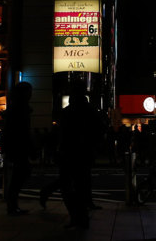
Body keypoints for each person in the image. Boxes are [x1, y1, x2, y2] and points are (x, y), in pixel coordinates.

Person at [58, 81, 103, 229]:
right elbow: (99, 132)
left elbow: (60, 134)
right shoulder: (91, 111)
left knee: (68, 187)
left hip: (69, 153)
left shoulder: (67, 112)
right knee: (82, 185)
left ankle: (76, 217)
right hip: (85, 153)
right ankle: (82, 217)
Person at [3, 81, 33, 215]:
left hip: (16, 146)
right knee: (19, 176)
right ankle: (12, 206)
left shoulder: (16, 108)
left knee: (18, 175)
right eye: (28, 92)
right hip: (18, 146)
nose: (30, 94)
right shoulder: (20, 109)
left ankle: (12, 205)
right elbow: (21, 131)